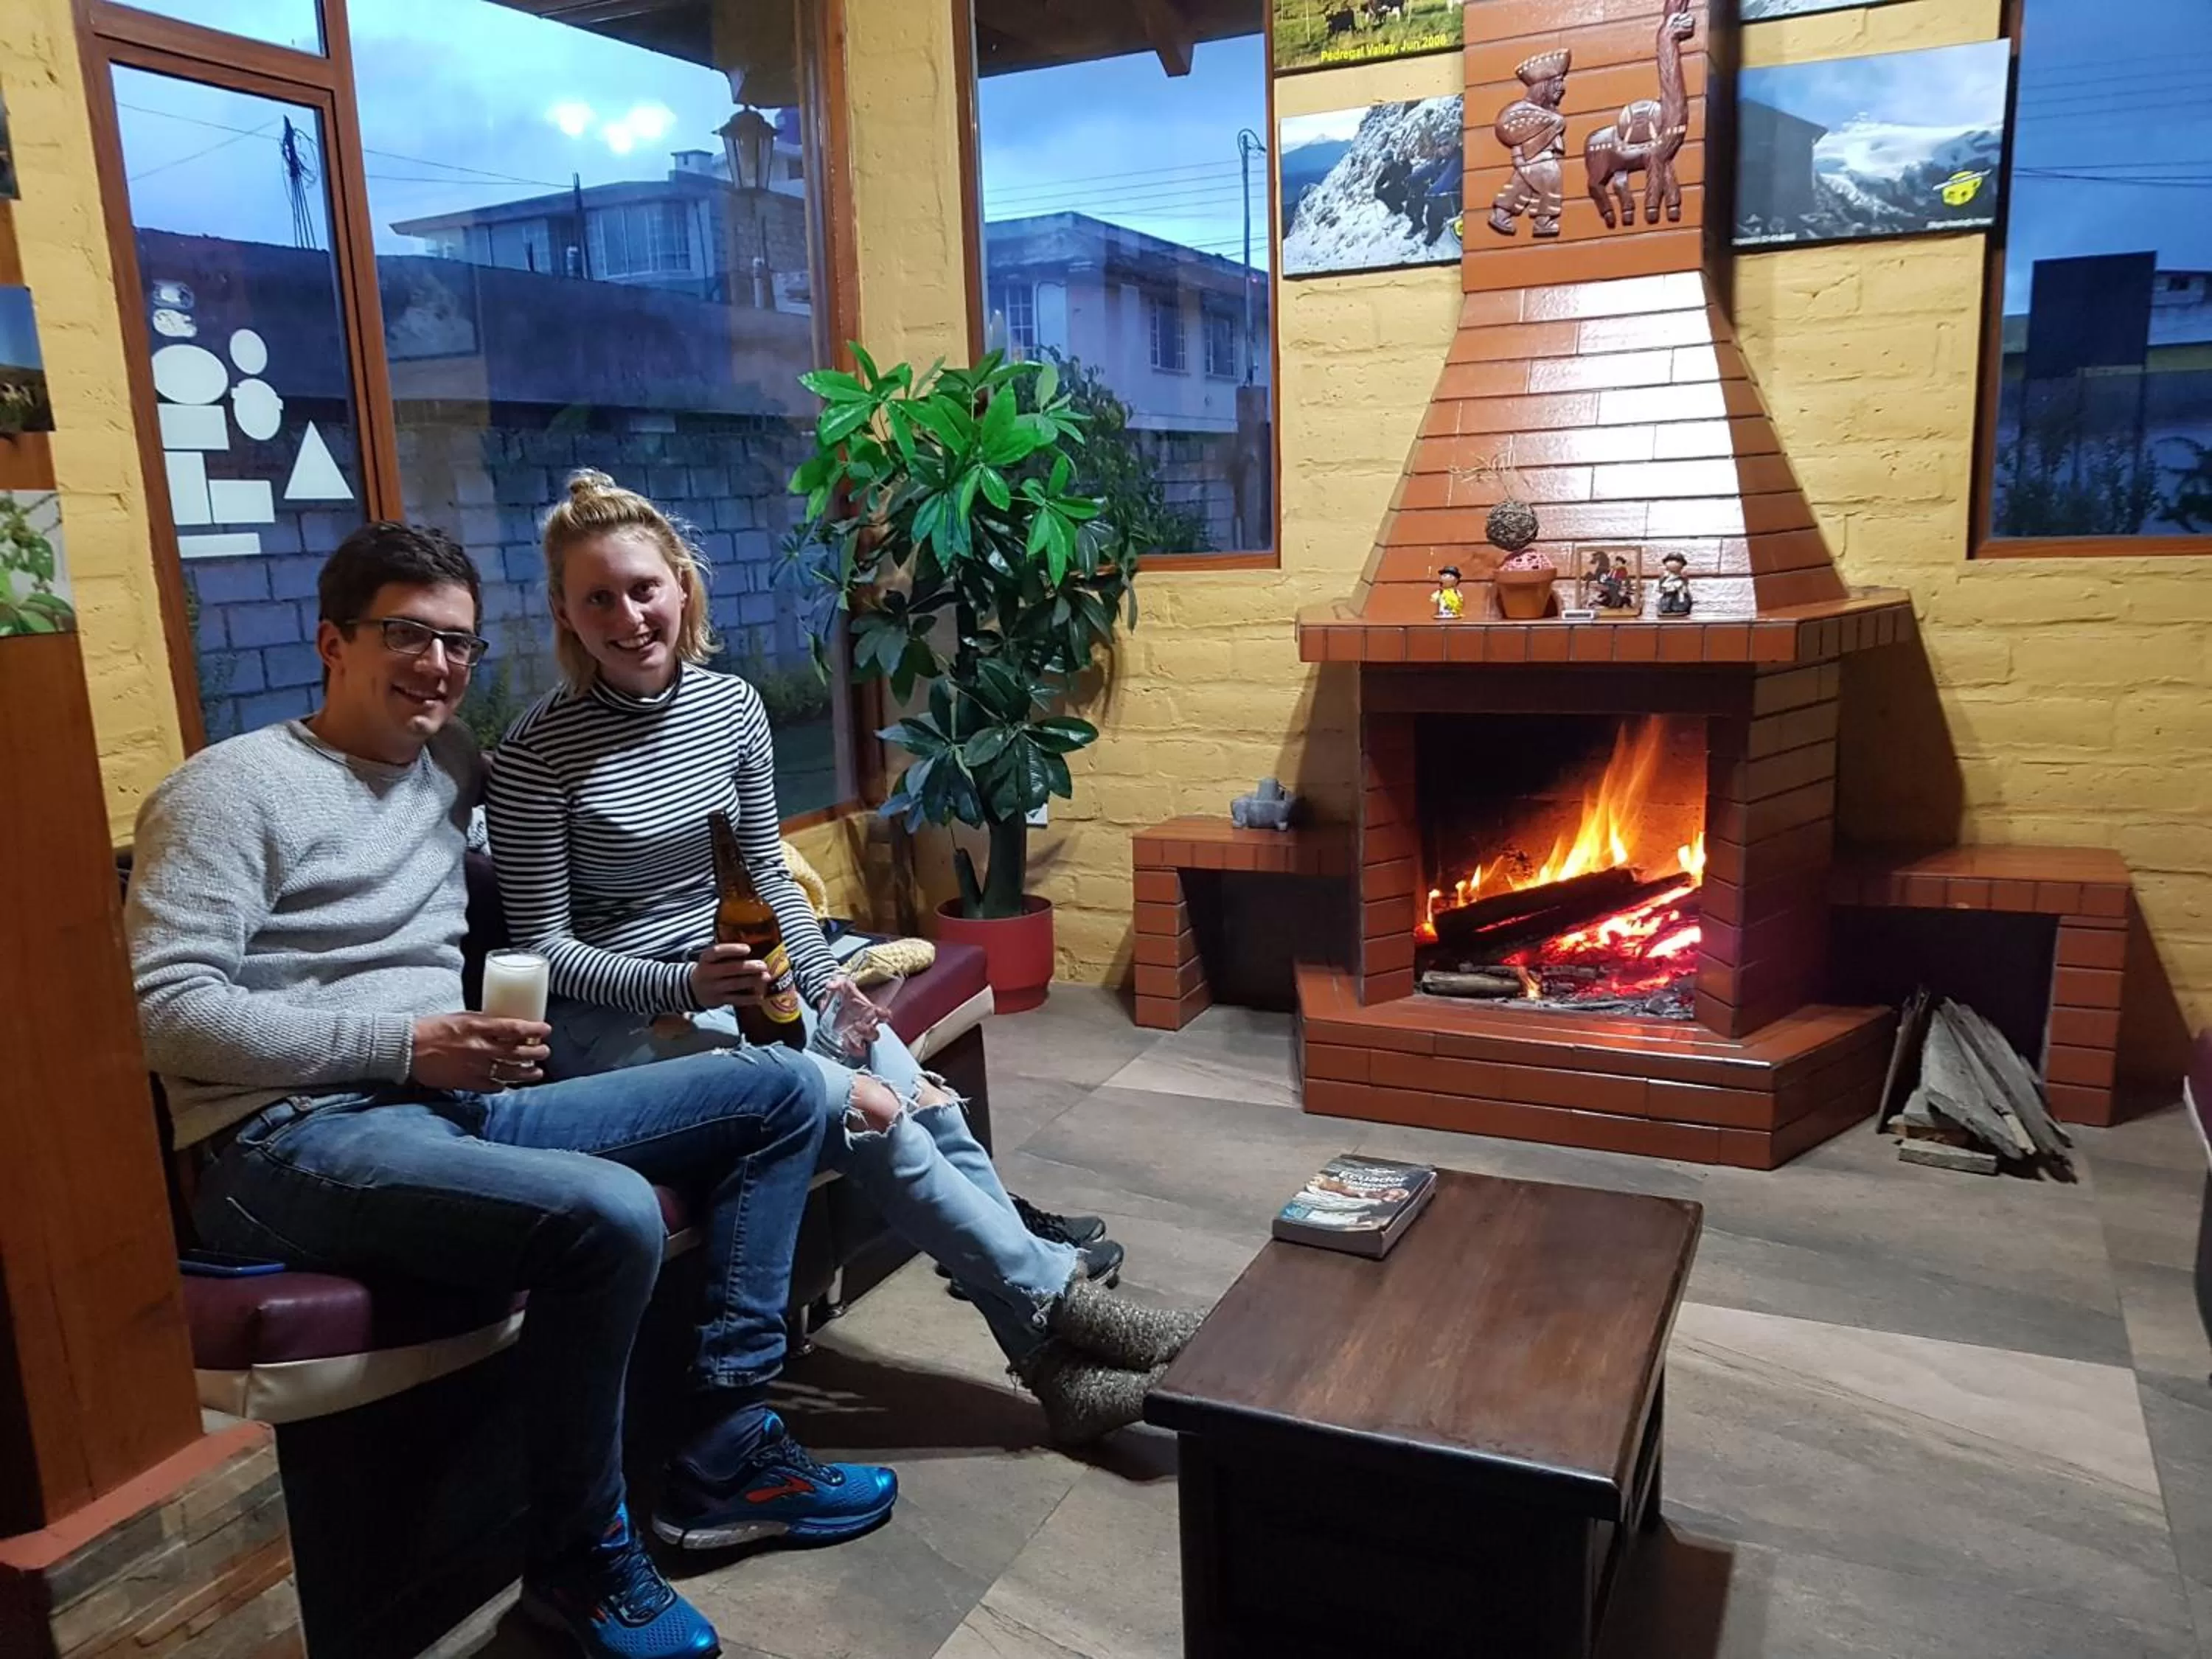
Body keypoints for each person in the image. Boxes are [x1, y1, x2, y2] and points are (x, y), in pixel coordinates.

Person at [125, 522, 897, 1659]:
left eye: (459, 644)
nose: (436, 664)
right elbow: (159, 1012)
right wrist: (403, 1043)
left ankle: (722, 1445)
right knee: (610, 1211)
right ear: (332, 641)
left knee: (781, 1087)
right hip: (281, 1142)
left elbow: (595, 815)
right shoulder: (228, 791)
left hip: (447, 1105)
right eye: (406, 635)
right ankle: (579, 1565)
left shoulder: (450, 768)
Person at [484, 471, 1203, 1447]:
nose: (627, 615)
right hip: (618, 1019)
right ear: (565, 613)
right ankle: (1063, 1303)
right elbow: (542, 951)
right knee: (871, 1118)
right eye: (597, 597)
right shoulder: (533, 753)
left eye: (643, 587)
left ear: (683, 586)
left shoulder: (732, 709)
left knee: (910, 1090)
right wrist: (683, 981)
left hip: (752, 982)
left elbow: (772, 883)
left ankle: (1054, 1372)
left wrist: (825, 981)